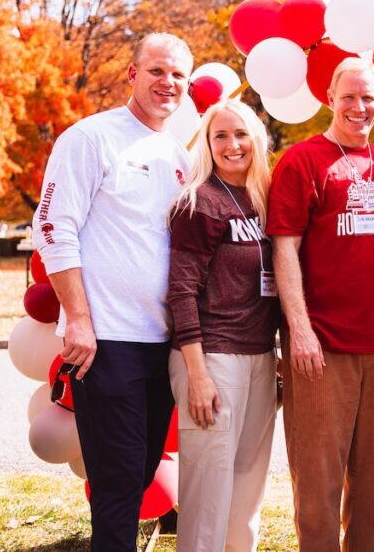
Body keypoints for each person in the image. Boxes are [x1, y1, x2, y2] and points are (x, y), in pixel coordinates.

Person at [32, 32, 194, 550]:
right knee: (118, 482)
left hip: (160, 343)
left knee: (140, 471)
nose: (167, 83)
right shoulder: (90, 138)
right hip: (105, 342)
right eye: (156, 71)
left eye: (177, 76)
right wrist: (78, 319)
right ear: (132, 74)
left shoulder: (177, 156)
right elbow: (54, 227)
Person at [267, 57, 374, 552]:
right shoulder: (303, 161)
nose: (358, 106)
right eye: (348, 96)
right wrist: (299, 331)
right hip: (322, 347)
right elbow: (284, 248)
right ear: (329, 98)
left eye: (368, 97)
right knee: (318, 484)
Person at [167, 99, 280, 551]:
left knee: (248, 491)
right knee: (208, 498)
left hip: (259, 356)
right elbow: (180, 291)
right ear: (207, 145)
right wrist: (197, 376)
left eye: (240, 135)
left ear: (256, 139)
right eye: (220, 136)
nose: (232, 145)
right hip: (211, 357)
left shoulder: (264, 199)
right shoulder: (198, 202)